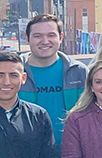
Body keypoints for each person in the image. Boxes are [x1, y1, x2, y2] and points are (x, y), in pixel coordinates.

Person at [20, 13, 88, 149]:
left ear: (61, 37)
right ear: (27, 38)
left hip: (73, 153)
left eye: (51, 35)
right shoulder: (13, 73)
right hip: (27, 155)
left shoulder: (79, 72)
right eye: (37, 36)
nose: (45, 41)